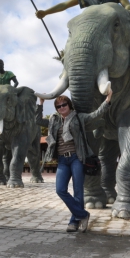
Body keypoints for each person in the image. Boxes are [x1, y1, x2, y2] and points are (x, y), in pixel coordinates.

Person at [36, 90, 112, 233]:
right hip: (63, 160)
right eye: (58, 106)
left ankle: (74, 222)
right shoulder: (54, 120)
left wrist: (107, 100)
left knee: (78, 192)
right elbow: (38, 121)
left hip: (77, 158)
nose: (62, 108)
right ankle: (83, 215)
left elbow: (94, 115)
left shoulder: (78, 118)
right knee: (60, 190)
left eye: (64, 104)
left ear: (69, 105)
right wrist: (41, 103)